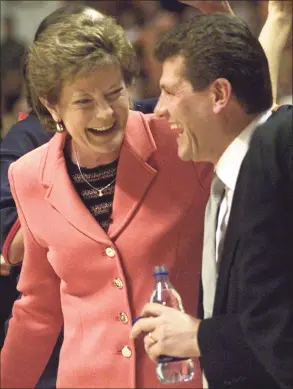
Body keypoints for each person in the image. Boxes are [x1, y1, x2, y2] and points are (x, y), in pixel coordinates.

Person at [0, 7, 212, 389]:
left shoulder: (176, 143)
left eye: (114, 93)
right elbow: (37, 310)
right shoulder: (29, 176)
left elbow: (250, 123)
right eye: (83, 101)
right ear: (52, 105)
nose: (105, 113)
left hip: (178, 377)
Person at [131, 5, 293, 389]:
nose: (159, 109)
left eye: (170, 92)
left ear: (219, 94)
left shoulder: (280, 150)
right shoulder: (224, 178)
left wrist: (201, 337)